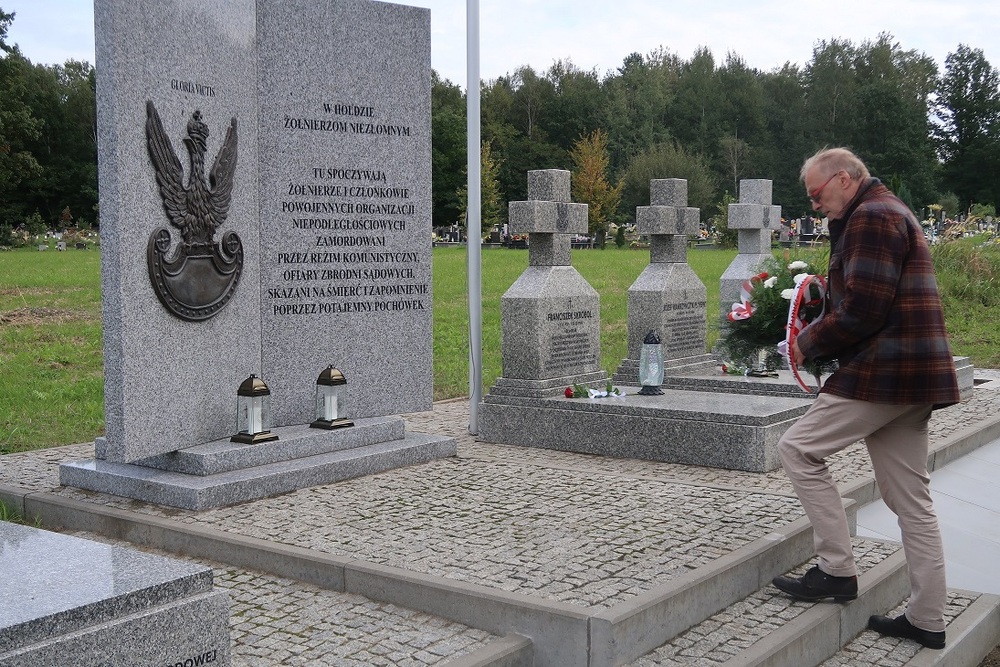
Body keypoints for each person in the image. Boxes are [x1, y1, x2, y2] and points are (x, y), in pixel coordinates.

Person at [771, 147, 960, 650]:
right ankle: (927, 619)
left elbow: (864, 310)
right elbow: (868, 297)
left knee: (798, 449)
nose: (814, 206)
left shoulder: (873, 216)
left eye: (817, 194)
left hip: (886, 372)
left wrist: (804, 342)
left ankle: (836, 570)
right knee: (912, 504)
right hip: (914, 379)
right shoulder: (889, 210)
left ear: (843, 179)